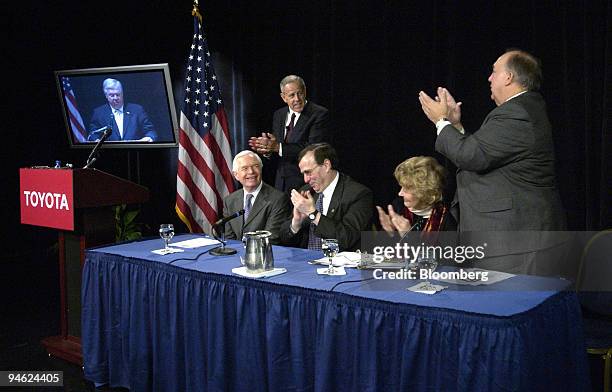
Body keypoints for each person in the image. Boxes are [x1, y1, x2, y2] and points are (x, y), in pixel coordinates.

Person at [418, 49, 566, 232]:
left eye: (494, 71)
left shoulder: (517, 112)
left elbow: (471, 156)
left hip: (515, 238)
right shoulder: (524, 108)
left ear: (508, 77)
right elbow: (483, 152)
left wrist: (441, 121)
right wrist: (455, 126)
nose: (489, 78)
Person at [279, 143, 373, 251]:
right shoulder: (306, 191)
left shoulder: (358, 194)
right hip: (306, 263)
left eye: (308, 172)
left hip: (341, 265)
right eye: (303, 174)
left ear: (326, 165)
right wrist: (296, 223)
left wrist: (313, 214)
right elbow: (283, 239)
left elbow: (346, 238)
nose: (306, 180)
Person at [248, 75, 330, 192]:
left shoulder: (319, 114)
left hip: (306, 182)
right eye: (291, 95)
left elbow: (313, 149)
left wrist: (277, 147)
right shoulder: (279, 115)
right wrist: (267, 150)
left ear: (305, 91)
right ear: (283, 97)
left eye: (300, 93)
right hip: (281, 182)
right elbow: (277, 148)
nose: (297, 99)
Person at [222, 150, 291, 244]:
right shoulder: (229, 201)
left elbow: (272, 238)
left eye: (256, 166)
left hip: (262, 255)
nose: (251, 171)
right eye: (245, 168)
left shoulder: (277, 199)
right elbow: (229, 239)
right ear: (236, 175)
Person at [376, 156, 456, 236]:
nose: (400, 193)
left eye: (406, 189)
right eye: (401, 187)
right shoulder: (398, 207)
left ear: (423, 193)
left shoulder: (445, 221)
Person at [88, 78, 157, 142]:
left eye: (118, 95)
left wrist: (148, 138)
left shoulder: (137, 110)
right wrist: (96, 140)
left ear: (122, 94)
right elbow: (93, 134)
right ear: (106, 95)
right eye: (112, 95)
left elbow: (150, 131)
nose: (115, 98)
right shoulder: (99, 113)